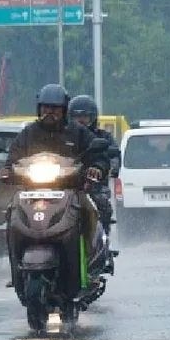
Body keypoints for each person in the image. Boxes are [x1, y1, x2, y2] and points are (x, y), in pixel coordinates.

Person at [0, 83, 108, 291]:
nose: (49, 113)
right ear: (38, 109)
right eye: (45, 108)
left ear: (64, 110)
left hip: (71, 190)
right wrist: (6, 170)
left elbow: (99, 155)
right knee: (11, 213)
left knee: (88, 211)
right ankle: (16, 271)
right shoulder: (28, 133)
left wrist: (96, 167)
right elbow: (13, 157)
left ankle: (89, 265)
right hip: (31, 191)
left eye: (55, 109)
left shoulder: (77, 132)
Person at [67, 93, 120, 245]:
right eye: (76, 117)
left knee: (101, 203)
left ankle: (101, 242)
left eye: (85, 117)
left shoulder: (102, 137)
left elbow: (113, 154)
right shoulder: (64, 137)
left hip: (93, 184)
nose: (81, 121)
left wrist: (109, 167)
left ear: (93, 118)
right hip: (66, 183)